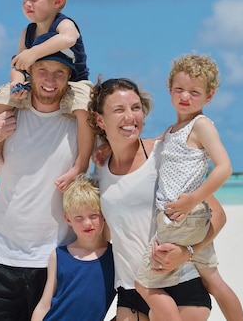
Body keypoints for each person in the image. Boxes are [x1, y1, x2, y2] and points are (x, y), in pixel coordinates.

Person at [89, 77, 227, 321]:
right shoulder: (99, 169)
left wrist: (188, 251)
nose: (130, 117)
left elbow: (218, 215)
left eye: (135, 108)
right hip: (131, 288)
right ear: (100, 119)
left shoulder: (163, 155)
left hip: (181, 283)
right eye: (119, 110)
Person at [0, 48, 80, 321]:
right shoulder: (8, 116)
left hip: (56, 262)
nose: (50, 80)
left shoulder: (80, 125)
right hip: (0, 260)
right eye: (43, 70)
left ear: (69, 78)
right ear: (29, 72)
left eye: (59, 73)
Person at [134, 54, 243, 320]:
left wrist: (193, 199)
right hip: (191, 220)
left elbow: (224, 168)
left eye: (195, 92)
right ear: (169, 90)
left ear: (209, 97)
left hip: (180, 219)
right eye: (179, 89)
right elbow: (152, 145)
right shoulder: (174, 129)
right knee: (213, 281)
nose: (185, 96)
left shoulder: (201, 125)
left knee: (142, 282)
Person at [0, 0, 93, 192]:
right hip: (38, 82)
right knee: (3, 94)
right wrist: (17, 82)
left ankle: (80, 164)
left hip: (75, 81)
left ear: (57, 1)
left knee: (85, 105)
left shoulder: (64, 24)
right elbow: (18, 64)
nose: (27, 4)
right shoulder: (28, 31)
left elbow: (68, 40)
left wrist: (34, 53)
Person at [31, 174, 116, 321]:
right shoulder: (58, 256)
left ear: (103, 215)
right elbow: (44, 305)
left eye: (93, 215)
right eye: (79, 218)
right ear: (68, 219)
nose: (87, 223)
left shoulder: (114, 257)